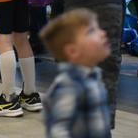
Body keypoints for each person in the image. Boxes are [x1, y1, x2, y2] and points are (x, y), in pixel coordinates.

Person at [40, 8, 112, 138]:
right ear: (72, 51)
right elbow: (59, 132)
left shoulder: (93, 78)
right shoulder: (68, 87)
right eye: (91, 31)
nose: (102, 33)